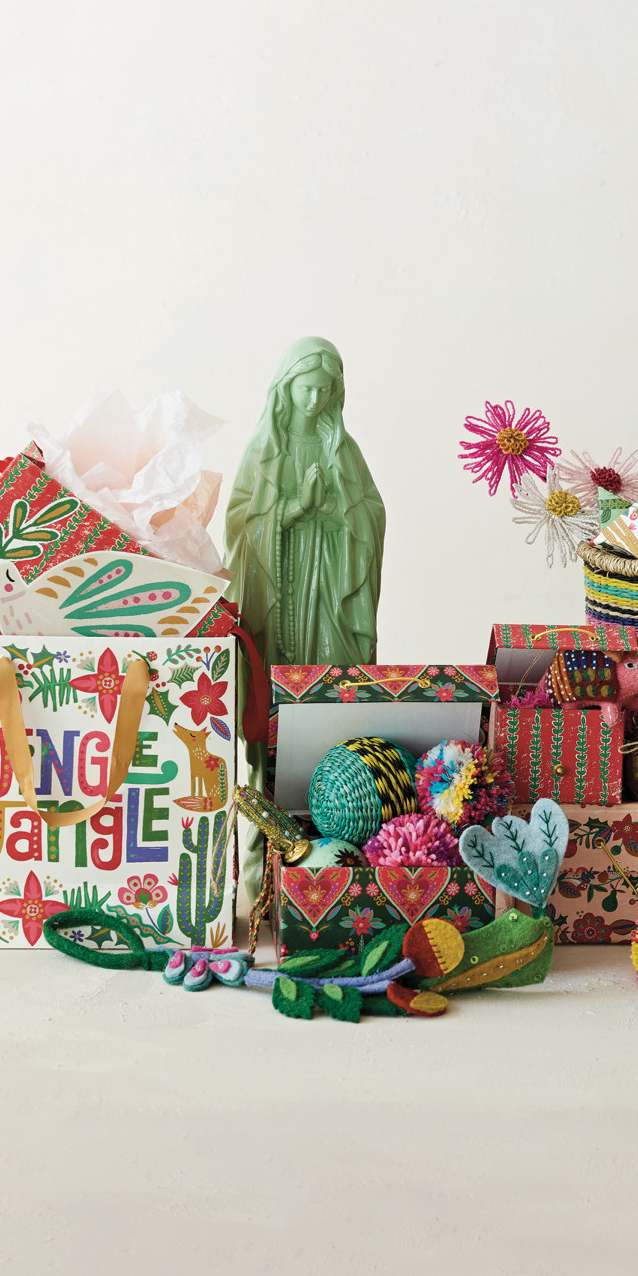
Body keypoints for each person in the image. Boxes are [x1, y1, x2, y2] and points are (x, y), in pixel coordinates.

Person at [226, 338, 386, 890]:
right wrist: (293, 509)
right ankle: (265, 851)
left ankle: (336, 831)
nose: (316, 399)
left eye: (325, 389)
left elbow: (372, 514)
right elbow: (240, 524)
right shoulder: (263, 450)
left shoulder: (342, 449)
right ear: (286, 387)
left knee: (331, 695)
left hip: (329, 592)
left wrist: (337, 510)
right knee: (271, 707)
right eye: (306, 388)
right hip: (278, 596)